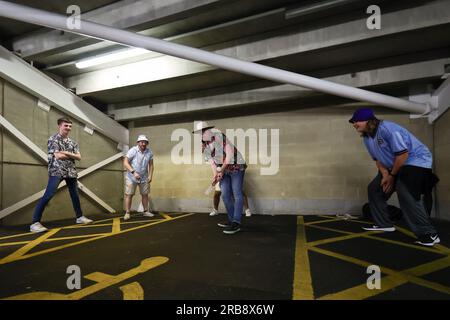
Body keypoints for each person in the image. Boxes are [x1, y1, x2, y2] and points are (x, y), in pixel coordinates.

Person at [349, 108, 440, 246]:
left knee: (404, 190)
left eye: (357, 121)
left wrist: (392, 177)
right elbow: (378, 159)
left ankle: (429, 233)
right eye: (353, 122)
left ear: (369, 120)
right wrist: (385, 175)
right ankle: (384, 224)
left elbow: (402, 155)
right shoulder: (367, 138)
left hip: (415, 161)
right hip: (394, 166)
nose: (354, 124)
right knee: (375, 189)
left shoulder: (389, 129)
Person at [30, 117, 93, 233]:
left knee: (75, 195)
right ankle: (35, 223)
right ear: (60, 126)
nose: (68, 128)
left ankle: (79, 217)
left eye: (70, 126)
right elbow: (58, 156)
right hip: (57, 170)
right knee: (48, 195)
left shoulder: (73, 142)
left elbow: (79, 157)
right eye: (66, 126)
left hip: (71, 172)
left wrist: (65, 152)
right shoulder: (53, 139)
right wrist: (71, 154)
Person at [194, 121, 247, 234]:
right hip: (224, 169)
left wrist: (221, 170)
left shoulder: (220, 137)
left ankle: (237, 222)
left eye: (203, 131)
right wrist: (215, 175)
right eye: (199, 133)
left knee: (237, 193)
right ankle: (231, 220)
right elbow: (212, 163)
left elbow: (229, 155)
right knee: (225, 194)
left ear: (209, 130)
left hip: (237, 166)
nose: (201, 134)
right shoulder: (204, 145)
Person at [123, 134, 154, 220]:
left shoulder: (149, 152)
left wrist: (150, 175)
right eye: (142, 142)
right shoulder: (133, 150)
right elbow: (125, 162)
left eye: (145, 142)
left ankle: (145, 211)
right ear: (138, 142)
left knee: (145, 194)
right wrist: (133, 172)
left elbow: (151, 165)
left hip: (144, 177)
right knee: (129, 194)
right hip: (131, 177)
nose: (144, 144)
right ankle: (127, 213)